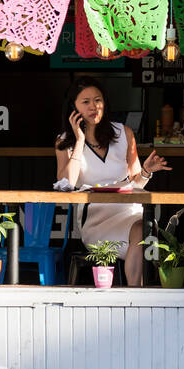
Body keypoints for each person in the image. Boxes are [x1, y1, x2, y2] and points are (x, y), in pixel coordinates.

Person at [55, 77, 171, 286]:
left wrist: (146, 171)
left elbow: (136, 184)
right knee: (142, 236)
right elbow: (66, 184)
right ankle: (137, 293)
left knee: (143, 227)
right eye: (86, 102)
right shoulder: (65, 141)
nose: (94, 107)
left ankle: (136, 294)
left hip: (127, 210)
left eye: (98, 100)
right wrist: (79, 140)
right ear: (74, 108)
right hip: (96, 219)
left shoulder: (123, 133)